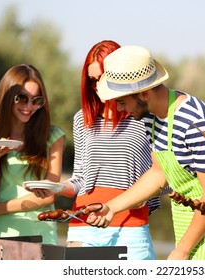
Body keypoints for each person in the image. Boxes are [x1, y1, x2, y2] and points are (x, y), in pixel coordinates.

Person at [88, 45, 205, 260]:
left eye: (122, 102)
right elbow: (158, 174)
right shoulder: (150, 117)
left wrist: (182, 250)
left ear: (144, 94)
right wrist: (111, 207)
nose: (119, 109)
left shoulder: (195, 123)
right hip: (190, 232)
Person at [53, 40, 160, 260]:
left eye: (101, 78)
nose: (96, 86)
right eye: (91, 81)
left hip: (131, 226)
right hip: (84, 225)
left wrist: (147, 195)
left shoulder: (145, 117)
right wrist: (55, 187)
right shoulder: (82, 118)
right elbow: (81, 178)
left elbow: (164, 176)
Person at [0, 64, 65, 259]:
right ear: (6, 96)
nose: (28, 107)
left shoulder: (53, 136)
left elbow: (49, 195)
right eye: (22, 98)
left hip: (41, 239)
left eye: (36, 100)